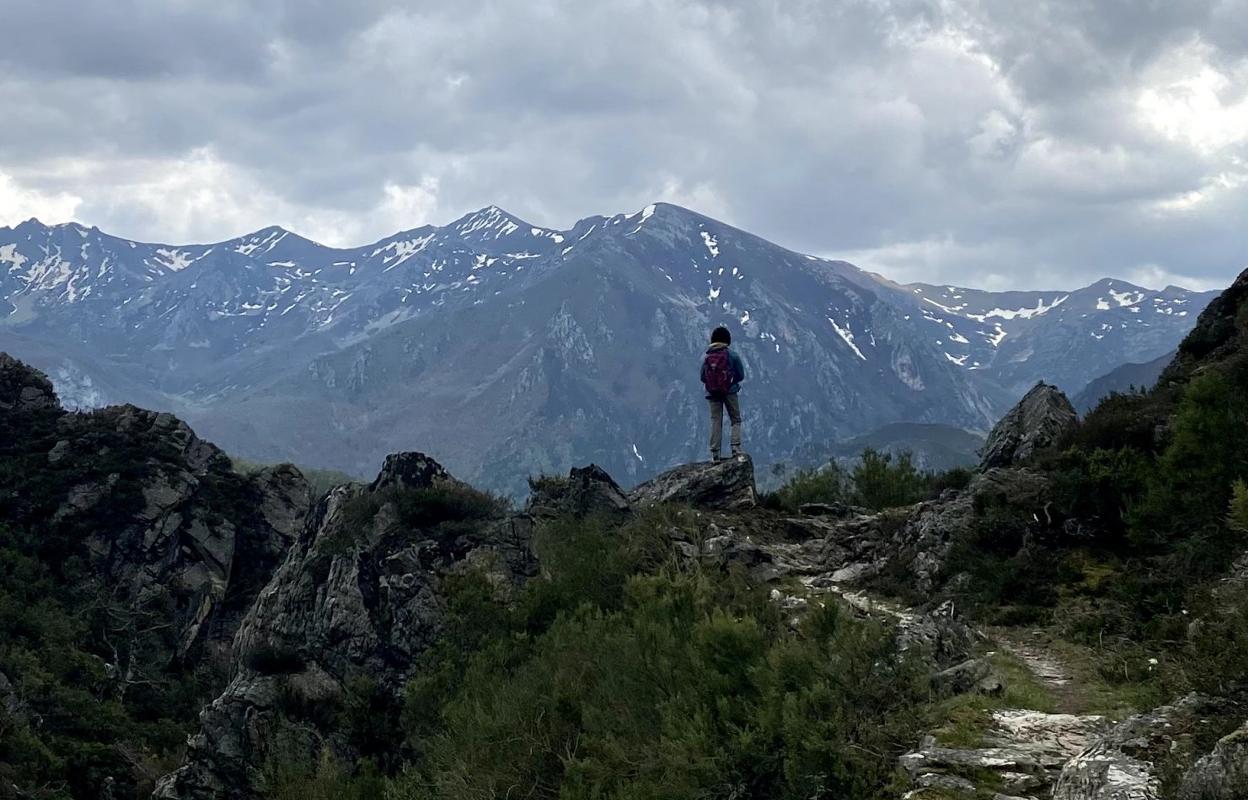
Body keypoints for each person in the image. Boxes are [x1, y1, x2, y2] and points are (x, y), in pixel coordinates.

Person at [700, 325, 745, 461]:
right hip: (730, 392)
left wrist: (713, 384)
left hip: (712, 393)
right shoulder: (732, 355)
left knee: (716, 420)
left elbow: (702, 377)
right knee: (735, 419)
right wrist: (730, 382)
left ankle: (715, 453)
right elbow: (741, 375)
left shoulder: (708, 357)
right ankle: (735, 448)